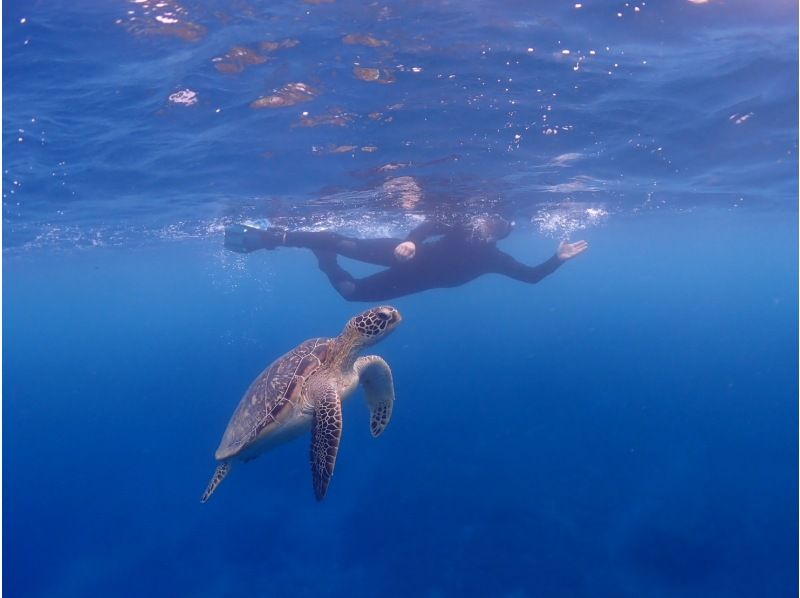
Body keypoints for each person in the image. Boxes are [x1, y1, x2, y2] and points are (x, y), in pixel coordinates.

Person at [224, 215, 588, 302]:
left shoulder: (495, 258)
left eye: (490, 227)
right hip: (407, 254)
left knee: (351, 293)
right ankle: (272, 238)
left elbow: (531, 277)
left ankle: (325, 261)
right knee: (342, 240)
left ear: (495, 235)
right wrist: (412, 240)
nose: (480, 227)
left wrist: (558, 258)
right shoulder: (460, 224)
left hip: (415, 280)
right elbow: (431, 222)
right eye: (482, 220)